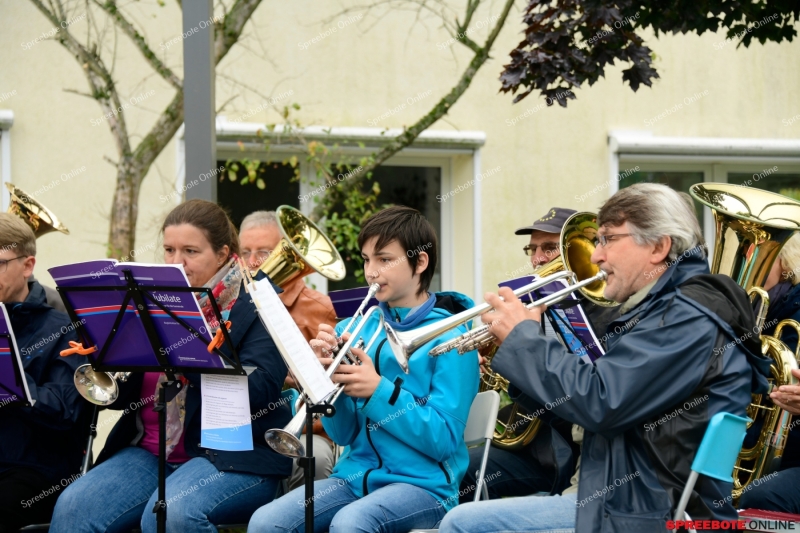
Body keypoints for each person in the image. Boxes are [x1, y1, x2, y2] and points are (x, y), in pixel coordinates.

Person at [440, 183, 772, 532]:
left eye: (608, 240)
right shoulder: (656, 313)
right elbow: (585, 409)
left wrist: (525, 340)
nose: (596, 256)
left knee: (463, 525)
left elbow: (601, 402)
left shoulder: (685, 319)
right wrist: (520, 354)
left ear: (659, 247)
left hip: (648, 512)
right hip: (625, 500)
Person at [50, 199, 293, 532]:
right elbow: (122, 398)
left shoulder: (258, 301)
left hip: (231, 455)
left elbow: (262, 388)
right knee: (73, 506)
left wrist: (189, 354)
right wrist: (109, 352)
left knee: (166, 514)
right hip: (149, 450)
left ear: (222, 254)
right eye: (168, 250)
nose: (176, 262)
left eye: (190, 251)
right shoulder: (147, 298)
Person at [248, 205, 480, 532]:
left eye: (385, 259)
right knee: (266, 522)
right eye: (366, 259)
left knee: (351, 523)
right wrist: (324, 383)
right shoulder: (359, 328)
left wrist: (377, 390)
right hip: (355, 476)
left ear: (420, 262)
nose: (371, 271)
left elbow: (442, 441)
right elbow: (343, 434)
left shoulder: (453, 340)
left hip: (425, 488)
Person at [459, 207, 618, 504]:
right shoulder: (540, 309)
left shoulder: (604, 316)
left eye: (549, 248)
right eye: (532, 249)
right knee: (457, 468)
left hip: (568, 456)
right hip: (533, 448)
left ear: (579, 252)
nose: (538, 259)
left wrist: (522, 360)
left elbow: (576, 406)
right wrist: (499, 361)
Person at [239, 209, 338, 490]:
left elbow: (335, 386)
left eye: (264, 252)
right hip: (247, 424)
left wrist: (303, 376)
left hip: (305, 428)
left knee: (314, 459)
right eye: (245, 251)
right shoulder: (233, 301)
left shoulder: (318, 307)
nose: (252, 261)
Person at [0, 213, 86, 532]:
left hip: (35, 468)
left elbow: (66, 411)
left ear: (27, 265)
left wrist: (13, 380)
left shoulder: (64, 328)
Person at [737, 233, 800, 514]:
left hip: (791, 452)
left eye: (760, 255)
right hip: (765, 440)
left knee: (761, 499)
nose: (749, 263)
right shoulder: (759, 306)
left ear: (786, 263)